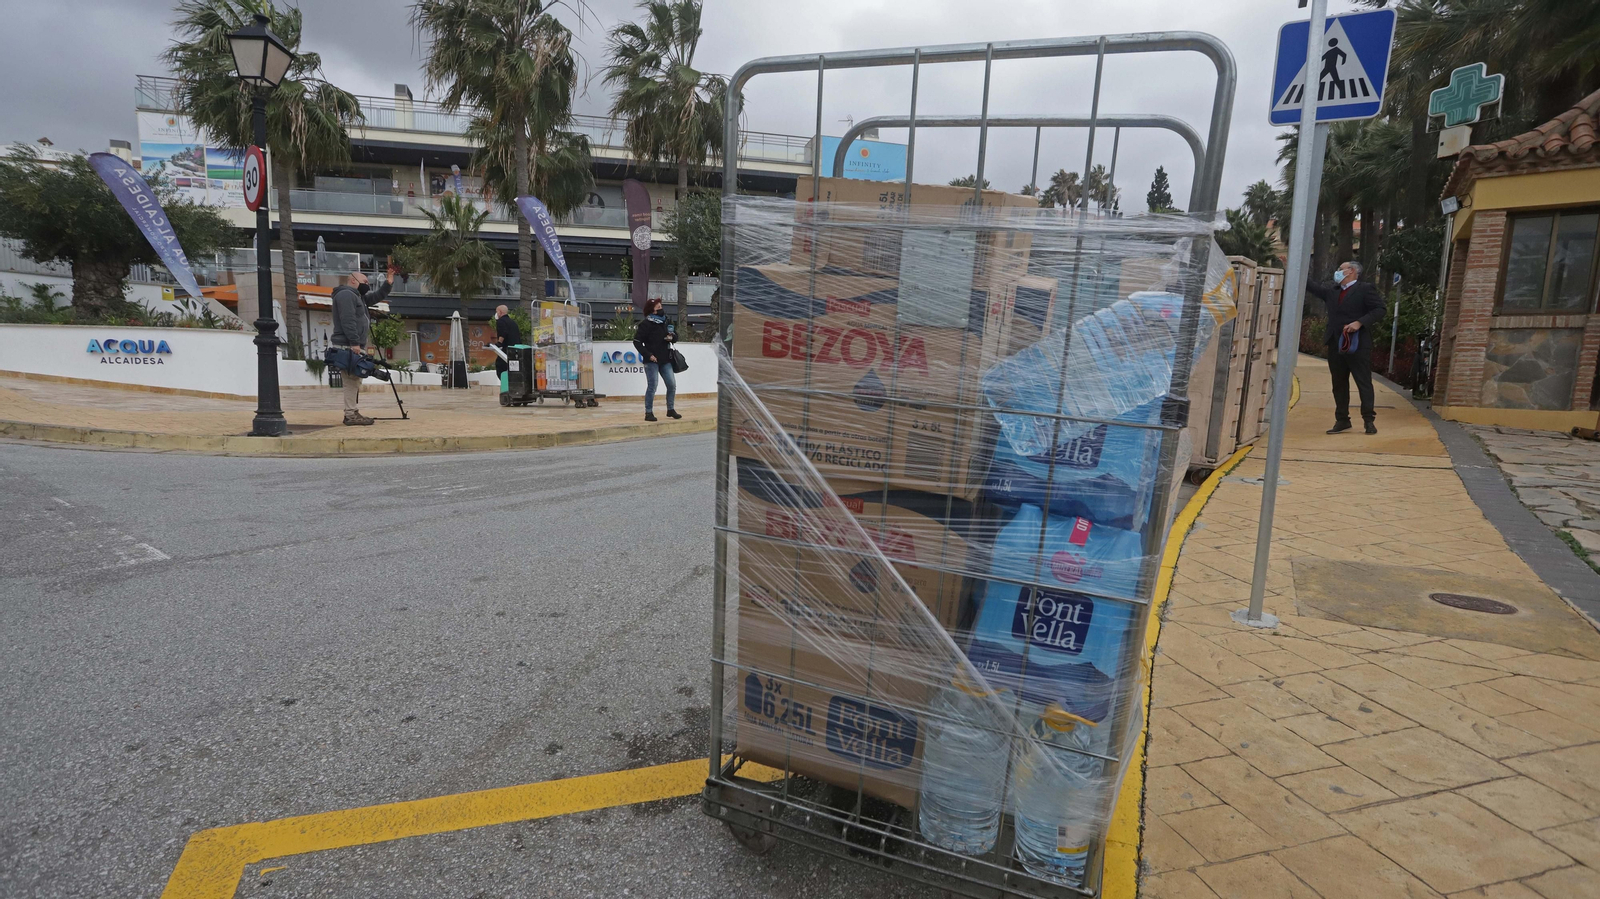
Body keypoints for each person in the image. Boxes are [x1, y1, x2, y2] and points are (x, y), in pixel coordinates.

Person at [1306, 261, 1385, 434]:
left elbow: (1380, 309)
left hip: (1358, 344)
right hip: (1336, 343)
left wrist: (1359, 323)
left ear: (1351, 271)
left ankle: (1368, 420)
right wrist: (1296, 269)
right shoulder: (1333, 292)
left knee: (1363, 382)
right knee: (1339, 384)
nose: (1338, 272)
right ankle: (1342, 420)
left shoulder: (1365, 289)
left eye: (1341, 269)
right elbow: (1313, 288)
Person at [330, 268, 395, 426]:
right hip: (349, 346)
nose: (367, 285)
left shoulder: (358, 297)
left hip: (352, 346)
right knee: (351, 380)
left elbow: (376, 296)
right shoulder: (346, 295)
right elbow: (348, 320)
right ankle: (350, 414)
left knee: (354, 380)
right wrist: (354, 342)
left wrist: (388, 282)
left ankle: (352, 411)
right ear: (353, 280)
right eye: (365, 282)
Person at [632, 298, 679, 422]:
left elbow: (675, 336)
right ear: (652, 311)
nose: (661, 309)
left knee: (672, 384)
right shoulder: (646, 324)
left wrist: (672, 337)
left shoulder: (666, 321)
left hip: (665, 359)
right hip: (651, 360)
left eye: (661, 307)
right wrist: (648, 355)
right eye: (658, 308)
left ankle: (670, 409)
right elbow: (637, 342)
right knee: (652, 386)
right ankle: (648, 412)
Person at [492, 304, 521, 405]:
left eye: (497, 312)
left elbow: (503, 333)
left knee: (500, 367)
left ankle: (506, 388)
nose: (496, 314)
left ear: (500, 312)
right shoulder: (513, 323)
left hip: (506, 350)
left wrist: (499, 343)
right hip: (515, 350)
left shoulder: (501, 321)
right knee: (514, 370)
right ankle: (515, 389)